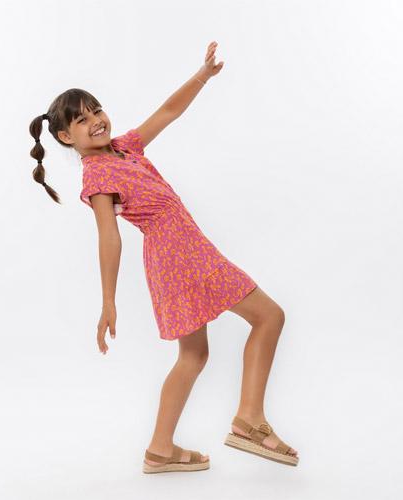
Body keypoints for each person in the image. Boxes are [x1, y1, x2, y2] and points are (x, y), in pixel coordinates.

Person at [29, 41, 298, 473]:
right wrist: (109, 301)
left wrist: (201, 76)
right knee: (269, 316)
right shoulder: (97, 174)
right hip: (182, 256)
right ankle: (249, 420)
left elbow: (168, 112)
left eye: (96, 111)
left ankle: (159, 449)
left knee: (193, 356)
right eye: (81, 120)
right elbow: (109, 237)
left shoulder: (125, 147)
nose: (96, 122)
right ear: (65, 137)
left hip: (176, 257)